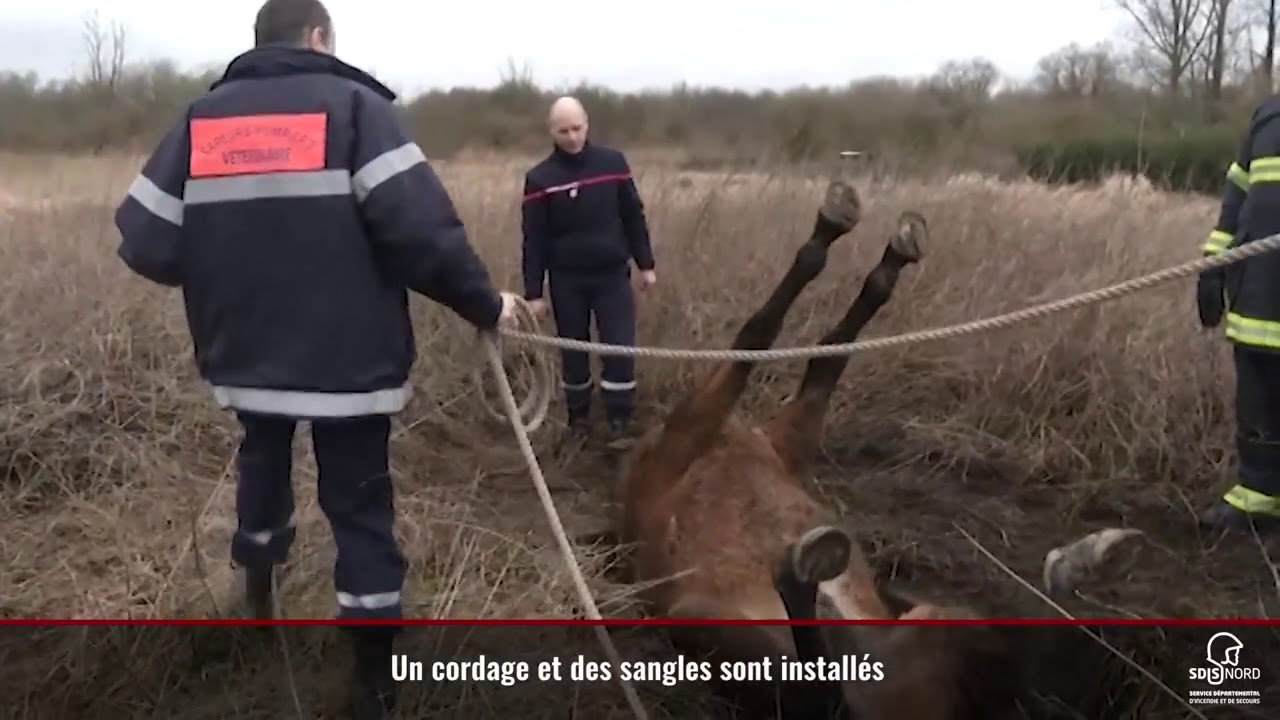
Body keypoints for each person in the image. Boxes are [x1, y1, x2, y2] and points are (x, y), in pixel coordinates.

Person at [112, 0, 517, 716]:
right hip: (348, 361)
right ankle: (373, 679)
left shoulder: (203, 120)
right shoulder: (356, 110)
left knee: (262, 468)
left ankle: (258, 605)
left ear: (259, 41)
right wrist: (487, 306)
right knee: (359, 505)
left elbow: (144, 239)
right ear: (319, 37)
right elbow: (423, 235)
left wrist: (220, 274)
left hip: (245, 355)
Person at [520, 96, 657, 440]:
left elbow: (633, 215)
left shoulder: (613, 163)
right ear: (552, 131)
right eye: (563, 131)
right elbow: (534, 239)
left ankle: (619, 421)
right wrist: (534, 293)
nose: (572, 137)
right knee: (574, 351)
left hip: (612, 275)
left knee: (619, 348)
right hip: (567, 280)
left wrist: (646, 264)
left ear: (587, 124)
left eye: (577, 128)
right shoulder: (540, 178)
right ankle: (578, 421)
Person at [1196, 100, 1280, 538]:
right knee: (1257, 398)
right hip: (1257, 297)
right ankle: (1258, 496)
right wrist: (1213, 263)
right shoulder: (1269, 117)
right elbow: (1236, 199)